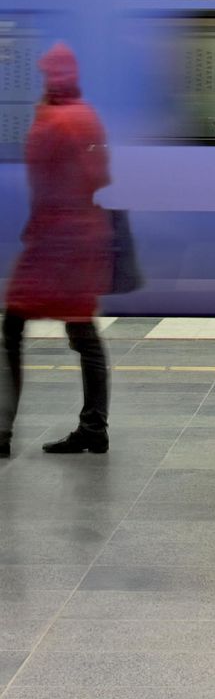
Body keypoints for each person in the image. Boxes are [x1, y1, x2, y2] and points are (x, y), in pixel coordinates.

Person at [0, 43, 112, 456]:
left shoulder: (52, 121)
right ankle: (94, 426)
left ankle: (1, 433)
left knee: (12, 328)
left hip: (53, 244)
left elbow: (42, 183)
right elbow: (101, 176)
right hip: (84, 239)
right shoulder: (87, 117)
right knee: (84, 333)